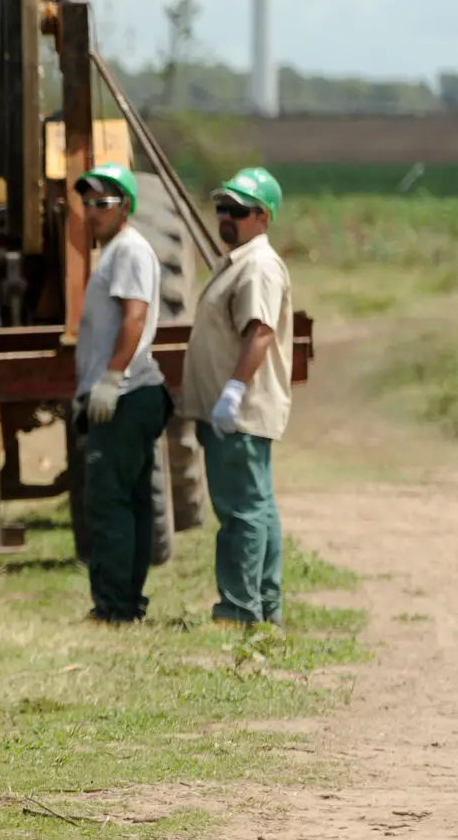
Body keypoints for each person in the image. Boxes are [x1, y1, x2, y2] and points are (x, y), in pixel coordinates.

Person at [181, 166, 294, 628]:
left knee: (240, 512)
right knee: (256, 508)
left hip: (239, 413)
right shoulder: (241, 261)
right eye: (222, 208)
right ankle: (262, 606)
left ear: (263, 217)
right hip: (237, 412)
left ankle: (240, 607)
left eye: (239, 210)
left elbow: (260, 332)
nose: (226, 217)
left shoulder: (258, 266)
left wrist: (232, 392)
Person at [71, 162, 171, 624]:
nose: (92, 213)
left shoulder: (129, 251)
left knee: (109, 504)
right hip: (126, 394)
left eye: (103, 204)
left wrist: (110, 379)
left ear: (125, 207)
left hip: (127, 395)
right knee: (128, 503)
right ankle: (125, 603)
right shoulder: (114, 251)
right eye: (87, 204)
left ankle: (113, 607)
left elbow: (134, 318)